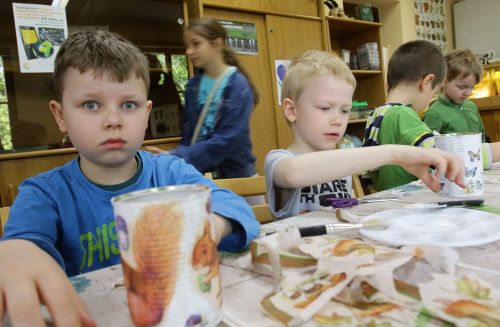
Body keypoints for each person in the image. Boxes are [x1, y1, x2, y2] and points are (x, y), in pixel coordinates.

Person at [0, 31, 259, 326]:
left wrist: (208, 226)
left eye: (128, 105)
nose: (113, 120)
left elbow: (237, 209)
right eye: (91, 105)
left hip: (175, 311)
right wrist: (15, 252)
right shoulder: (43, 194)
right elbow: (25, 242)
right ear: (60, 116)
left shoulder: (169, 172)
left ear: (146, 113)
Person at [265, 50, 465, 219]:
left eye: (344, 111)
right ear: (292, 110)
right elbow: (293, 173)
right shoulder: (279, 161)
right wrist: (394, 154)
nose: (338, 120)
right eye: (325, 108)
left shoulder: (342, 161)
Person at [363, 40, 500, 191]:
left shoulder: (375, 115)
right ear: (427, 82)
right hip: (410, 201)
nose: (431, 100)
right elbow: (446, 157)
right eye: (434, 93)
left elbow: (367, 173)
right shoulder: (403, 115)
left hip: (390, 199)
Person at [147, 17, 259, 179]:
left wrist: (178, 157)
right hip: (202, 174)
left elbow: (228, 140)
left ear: (217, 43)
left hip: (238, 173)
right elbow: (189, 135)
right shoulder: (193, 86)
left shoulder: (237, 84)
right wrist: (177, 162)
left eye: (196, 44)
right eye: (187, 46)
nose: (189, 51)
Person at [424, 48, 488, 142]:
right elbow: (427, 146)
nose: (468, 93)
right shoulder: (434, 113)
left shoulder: (471, 106)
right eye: (461, 87)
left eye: (472, 87)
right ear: (444, 81)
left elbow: (482, 135)